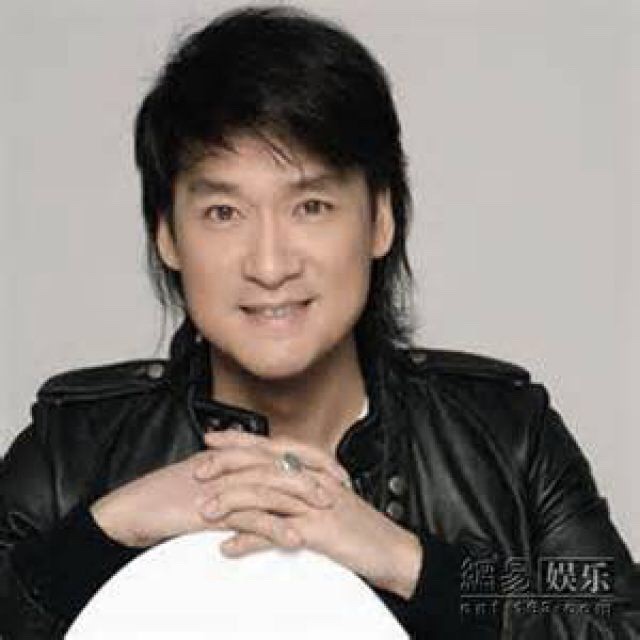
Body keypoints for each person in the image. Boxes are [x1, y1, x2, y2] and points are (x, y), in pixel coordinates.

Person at [1, 6, 638, 639]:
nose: (269, 264)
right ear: (166, 235)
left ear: (380, 219)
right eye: (223, 213)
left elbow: (611, 616)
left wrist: (407, 561)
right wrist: (105, 531)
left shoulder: (505, 435)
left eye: (310, 205)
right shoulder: (73, 451)